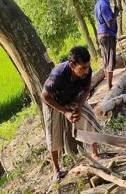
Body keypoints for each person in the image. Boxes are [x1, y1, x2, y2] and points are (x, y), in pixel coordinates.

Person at [41, 46, 102, 182]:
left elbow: (86, 89)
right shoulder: (58, 75)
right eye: (82, 68)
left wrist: (79, 107)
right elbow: (44, 96)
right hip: (54, 102)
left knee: (89, 118)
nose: (86, 71)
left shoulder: (87, 72)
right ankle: (56, 170)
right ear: (72, 65)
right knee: (53, 134)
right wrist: (65, 112)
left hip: (73, 98)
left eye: (87, 67)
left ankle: (95, 153)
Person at [95, 0, 119, 90]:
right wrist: (116, 13)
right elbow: (110, 23)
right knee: (110, 61)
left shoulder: (98, 4)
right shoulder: (104, 5)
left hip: (102, 35)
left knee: (106, 60)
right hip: (108, 36)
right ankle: (109, 86)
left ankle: (109, 85)